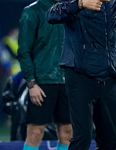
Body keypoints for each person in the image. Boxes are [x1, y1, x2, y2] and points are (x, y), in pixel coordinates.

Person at [47, 0, 116, 149]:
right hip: (80, 75)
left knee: (110, 140)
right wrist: (80, 4)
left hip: (108, 77)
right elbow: (51, 15)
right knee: (83, 137)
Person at [17, 0, 73, 149]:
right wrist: (31, 83)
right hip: (42, 81)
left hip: (68, 80)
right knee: (35, 132)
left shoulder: (70, 10)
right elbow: (23, 51)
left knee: (68, 132)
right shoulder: (32, 11)